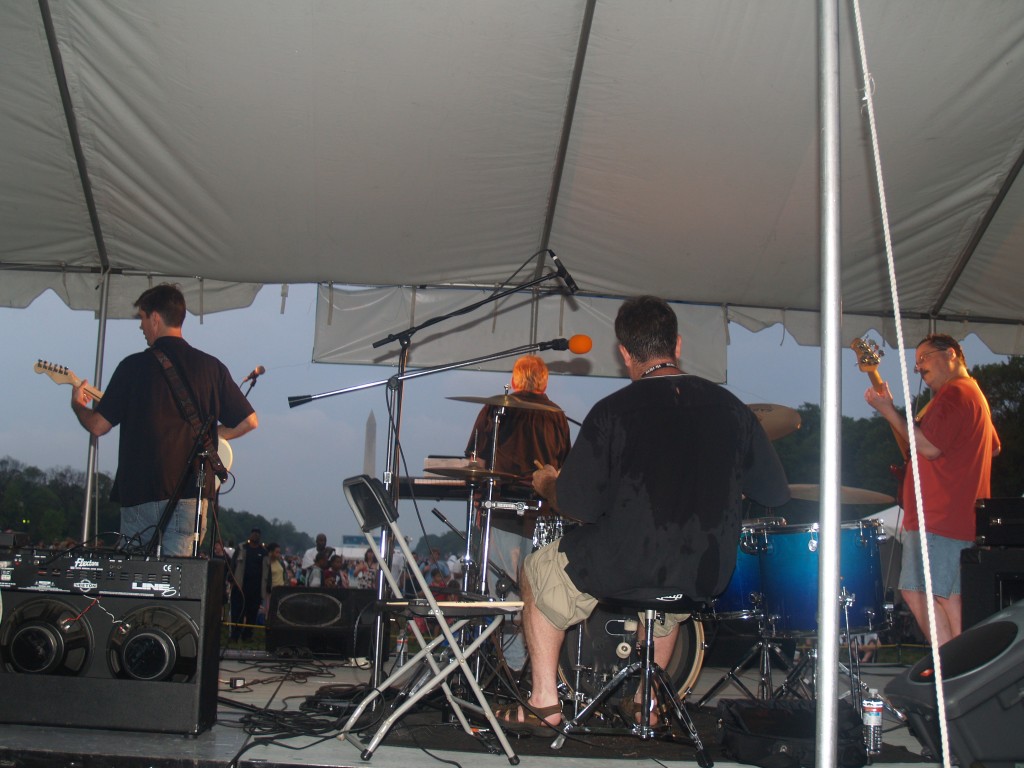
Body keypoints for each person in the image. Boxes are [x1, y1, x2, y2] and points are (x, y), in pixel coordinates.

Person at [498, 295, 789, 730]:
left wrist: (547, 484)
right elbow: (775, 492)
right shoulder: (733, 409)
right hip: (705, 571)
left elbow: (577, 505)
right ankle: (645, 702)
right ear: (677, 344)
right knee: (667, 596)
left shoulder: (613, 412)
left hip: (629, 563)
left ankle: (544, 704)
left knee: (538, 569)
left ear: (624, 353)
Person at [69, 283, 258, 557]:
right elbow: (248, 421)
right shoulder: (212, 367)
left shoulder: (132, 367)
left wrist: (77, 405)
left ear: (155, 318)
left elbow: (97, 425)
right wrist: (208, 437)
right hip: (191, 497)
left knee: (136, 577)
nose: (141, 326)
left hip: (141, 494)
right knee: (176, 579)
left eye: (142, 318)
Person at [865, 333, 1000, 645]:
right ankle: (956, 664)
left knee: (933, 594)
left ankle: (957, 663)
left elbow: (929, 447)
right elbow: (992, 447)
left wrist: (887, 410)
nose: (919, 367)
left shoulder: (955, 394)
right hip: (953, 514)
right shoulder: (973, 394)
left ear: (950, 354)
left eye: (924, 358)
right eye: (916, 363)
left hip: (941, 514)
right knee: (935, 594)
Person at [464, 354, 571, 669]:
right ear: (544, 382)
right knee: (540, 591)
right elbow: (565, 470)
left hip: (502, 511)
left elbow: (476, 461)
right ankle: (535, 668)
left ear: (514, 380)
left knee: (505, 591)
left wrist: (478, 499)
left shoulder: (496, 408)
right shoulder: (557, 416)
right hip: (545, 515)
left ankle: (510, 667)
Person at [230, 528, 266, 641]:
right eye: (254, 534)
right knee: (237, 612)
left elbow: (266, 570)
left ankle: (247, 635)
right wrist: (231, 579)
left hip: (255, 589)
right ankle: (235, 635)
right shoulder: (242, 548)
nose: (255, 536)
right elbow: (233, 564)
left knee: (252, 613)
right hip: (240, 586)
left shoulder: (263, 551)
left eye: (257, 534)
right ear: (250, 535)